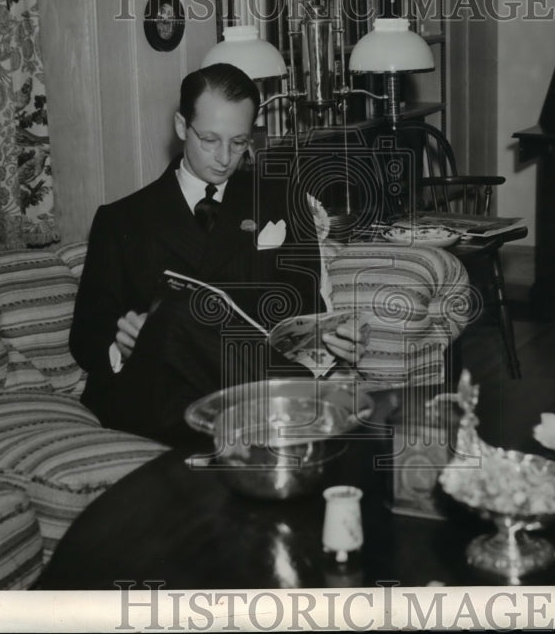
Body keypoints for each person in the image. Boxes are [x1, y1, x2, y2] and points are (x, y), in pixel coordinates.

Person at [69, 63, 360, 444]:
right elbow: (87, 333)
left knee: (189, 319)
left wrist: (332, 341)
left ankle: (282, 412)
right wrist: (119, 344)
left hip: (244, 390)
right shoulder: (122, 218)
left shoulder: (280, 200)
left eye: (238, 142)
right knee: (175, 312)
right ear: (180, 127)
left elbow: (305, 309)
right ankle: (299, 411)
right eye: (209, 139)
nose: (224, 157)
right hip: (157, 395)